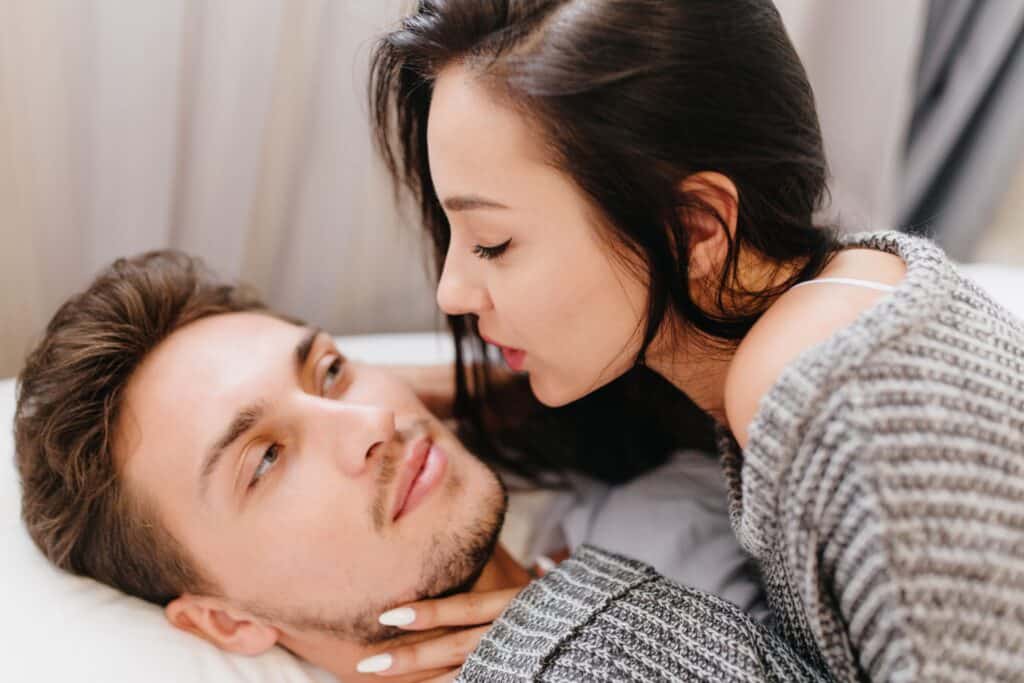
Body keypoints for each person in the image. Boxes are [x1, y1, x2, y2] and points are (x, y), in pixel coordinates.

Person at [369, 1, 1024, 681]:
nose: (452, 291)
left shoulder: (825, 393)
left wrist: (582, 634)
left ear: (696, 230)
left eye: (492, 243)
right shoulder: (833, 312)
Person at [15, 251, 821, 682]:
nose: (372, 422)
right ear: (225, 621)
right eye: (264, 460)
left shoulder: (655, 505)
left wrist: (509, 388)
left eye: (330, 371)